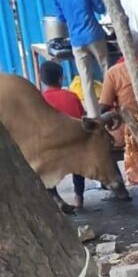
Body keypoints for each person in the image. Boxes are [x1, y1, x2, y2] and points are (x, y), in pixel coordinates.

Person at [51, 0, 108, 118]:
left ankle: (93, 115)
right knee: (107, 70)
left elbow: (61, 18)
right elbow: (100, 9)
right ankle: (111, 106)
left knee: (86, 79)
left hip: (76, 40)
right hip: (94, 35)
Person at [39, 60, 87, 212]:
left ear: (42, 79)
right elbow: (82, 118)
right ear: (61, 78)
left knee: (43, 171)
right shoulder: (72, 96)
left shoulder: (39, 100)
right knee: (78, 167)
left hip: (51, 150)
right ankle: (79, 198)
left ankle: (57, 199)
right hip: (74, 148)